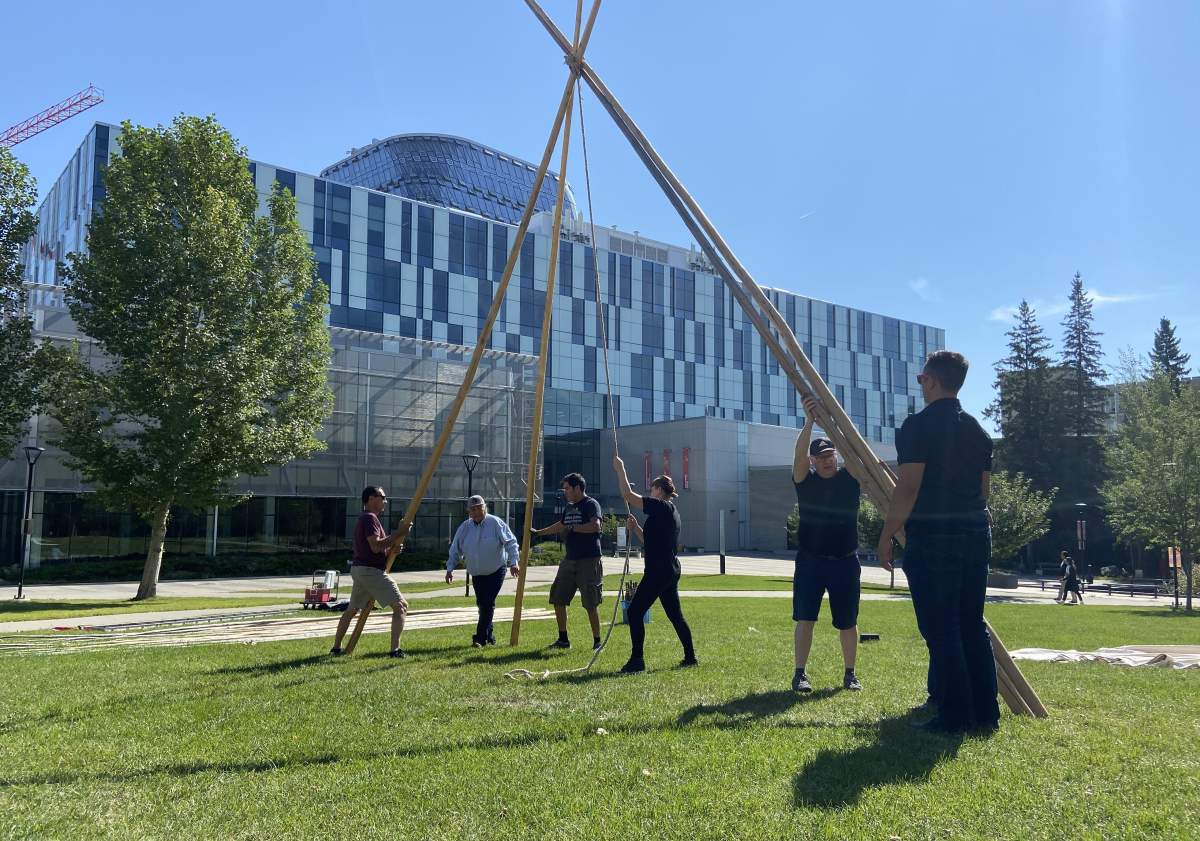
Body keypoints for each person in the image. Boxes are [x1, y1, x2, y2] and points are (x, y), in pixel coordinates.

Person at [877, 350, 1000, 733]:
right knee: (970, 624)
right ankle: (985, 713)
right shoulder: (978, 430)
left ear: (930, 380)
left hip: (934, 539)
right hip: (976, 533)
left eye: (920, 379)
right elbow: (983, 490)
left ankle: (954, 715)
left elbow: (908, 487)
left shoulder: (917, 427)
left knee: (941, 627)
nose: (920, 385)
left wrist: (886, 537)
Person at [790, 394, 865, 694]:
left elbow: (856, 451)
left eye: (830, 455)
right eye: (820, 457)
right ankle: (800, 674)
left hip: (845, 561)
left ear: (837, 455)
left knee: (848, 621)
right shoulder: (805, 482)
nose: (826, 460)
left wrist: (832, 423)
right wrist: (809, 422)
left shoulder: (850, 478)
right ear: (812, 460)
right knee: (805, 618)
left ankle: (850, 674)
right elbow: (797, 457)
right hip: (811, 560)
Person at [612, 456, 697, 673]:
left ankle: (637, 661)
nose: (650, 493)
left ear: (659, 490)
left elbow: (628, 495)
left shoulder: (662, 507)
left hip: (659, 572)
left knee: (634, 613)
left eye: (652, 489)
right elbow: (650, 542)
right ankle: (690, 658)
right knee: (675, 615)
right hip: (669, 569)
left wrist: (620, 469)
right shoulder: (670, 511)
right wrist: (637, 528)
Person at [330, 486, 410, 658]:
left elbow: (376, 548)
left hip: (361, 569)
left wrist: (392, 551)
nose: (385, 501)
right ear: (372, 498)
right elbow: (375, 546)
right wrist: (398, 533)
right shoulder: (369, 518)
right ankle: (395, 650)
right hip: (370, 571)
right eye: (383, 497)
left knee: (351, 610)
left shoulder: (369, 519)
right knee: (401, 606)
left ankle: (336, 648)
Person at [531, 473, 605, 650]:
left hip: (588, 560)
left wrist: (574, 528)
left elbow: (596, 526)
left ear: (577, 488)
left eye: (567, 488)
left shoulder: (591, 504)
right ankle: (563, 639)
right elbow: (561, 525)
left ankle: (597, 642)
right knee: (558, 598)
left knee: (590, 603)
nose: (565, 492)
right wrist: (539, 532)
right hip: (569, 559)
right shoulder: (569, 506)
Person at [447, 495, 521, 646]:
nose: (476, 512)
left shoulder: (495, 522)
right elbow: (455, 549)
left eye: (479, 508)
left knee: (487, 603)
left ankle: (479, 639)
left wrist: (514, 562)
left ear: (485, 507)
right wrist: (450, 568)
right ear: (469, 512)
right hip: (477, 573)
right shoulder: (464, 527)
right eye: (473, 509)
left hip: (496, 570)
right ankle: (489, 637)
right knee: (483, 605)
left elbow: (511, 542)